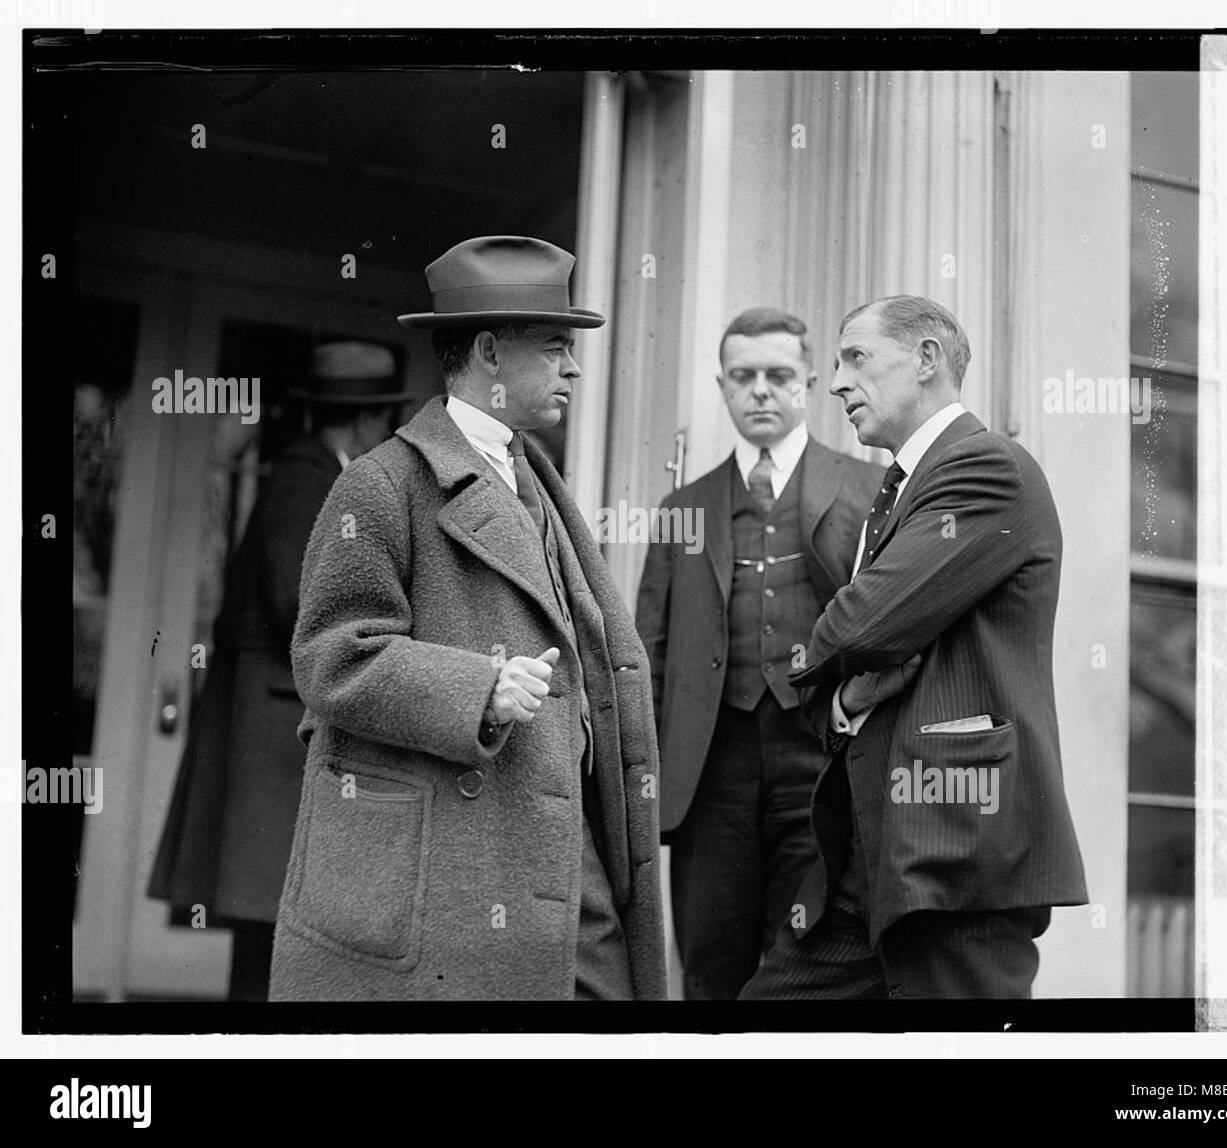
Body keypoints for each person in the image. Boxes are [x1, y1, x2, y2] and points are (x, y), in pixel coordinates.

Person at [268, 235, 666, 1001]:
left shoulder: (535, 480)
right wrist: (476, 688)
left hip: (562, 861)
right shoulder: (382, 487)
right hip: (454, 867)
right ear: (488, 352)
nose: (575, 367)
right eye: (555, 347)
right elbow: (331, 655)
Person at [742, 295, 1088, 1000]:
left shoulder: (986, 468)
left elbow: (861, 624)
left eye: (856, 358)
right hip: (870, 858)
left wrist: (830, 653)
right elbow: (856, 644)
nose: (835, 382)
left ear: (927, 358)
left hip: (957, 856)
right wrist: (842, 697)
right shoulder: (899, 492)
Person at [148, 340, 411, 1001]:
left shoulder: (314, 472)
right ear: (365, 421)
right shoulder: (309, 477)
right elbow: (297, 600)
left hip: (267, 718)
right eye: (384, 421)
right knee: (266, 927)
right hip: (269, 723)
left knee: (272, 925)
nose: (387, 435)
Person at [635, 307, 883, 1000]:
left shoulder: (866, 489)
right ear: (722, 386)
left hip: (821, 758)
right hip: (712, 765)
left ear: (808, 382)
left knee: (809, 953)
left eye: (778, 375)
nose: (761, 391)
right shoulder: (683, 507)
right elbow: (648, 654)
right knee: (711, 957)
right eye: (743, 377)